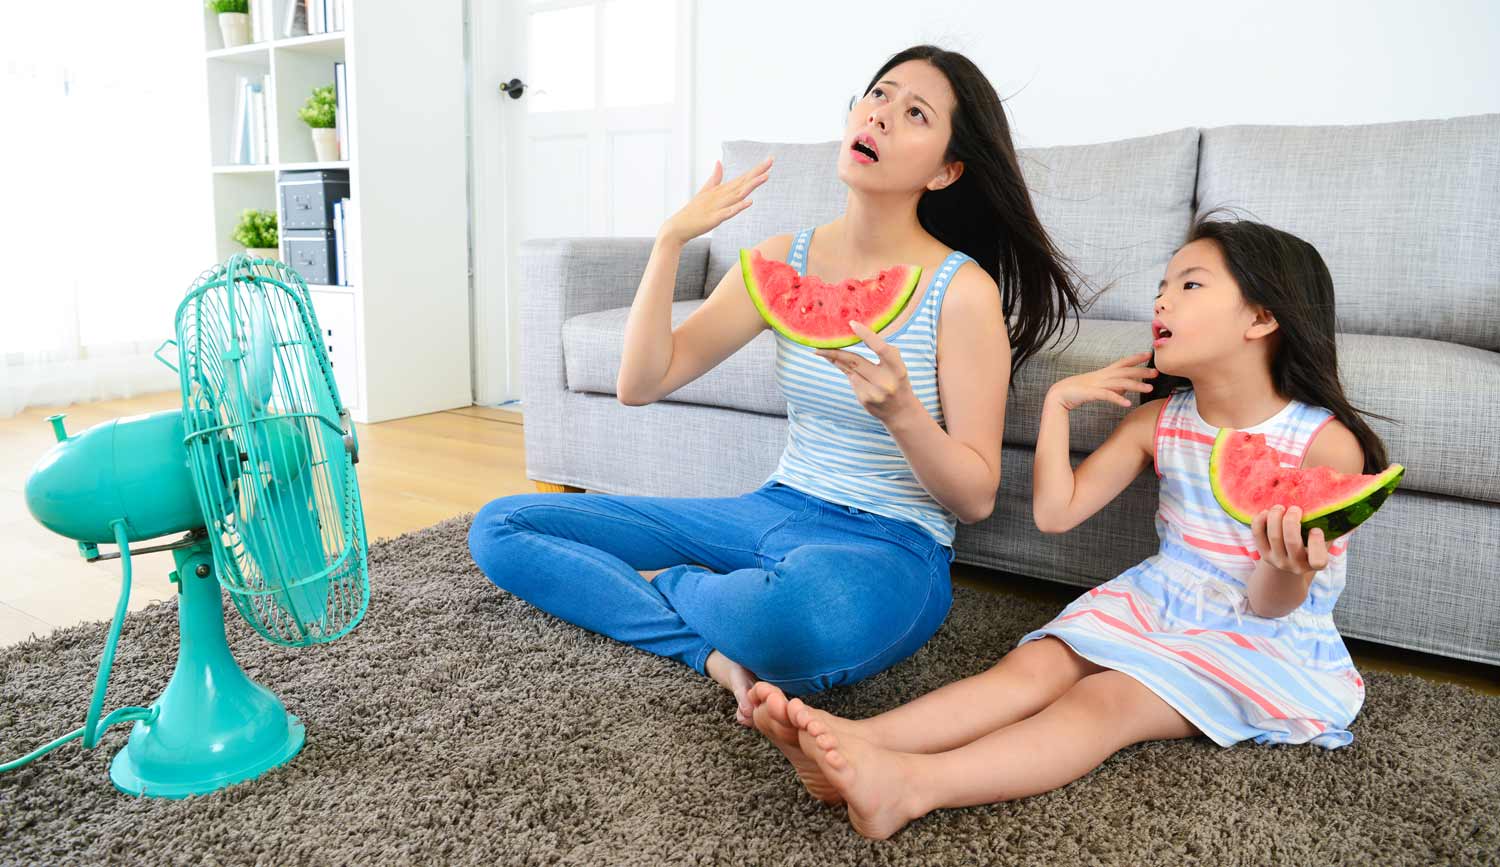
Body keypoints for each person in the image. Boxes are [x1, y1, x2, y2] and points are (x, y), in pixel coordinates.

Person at [468, 45, 1082, 724]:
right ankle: (711, 646)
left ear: (946, 170)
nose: (880, 116)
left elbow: (974, 497)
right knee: (502, 526)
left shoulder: (960, 291)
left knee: (801, 625)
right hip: (770, 510)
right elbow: (641, 382)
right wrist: (670, 240)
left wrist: (904, 414)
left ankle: (670, 589)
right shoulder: (775, 261)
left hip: (890, 545)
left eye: (914, 113)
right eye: (878, 94)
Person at [749, 216, 1389, 839]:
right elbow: (1056, 515)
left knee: (1104, 702)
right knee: (1030, 668)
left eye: (1189, 285)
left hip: (1258, 635)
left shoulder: (1325, 447)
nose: (1163, 299)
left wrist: (1282, 564)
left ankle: (911, 787)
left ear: (1261, 317)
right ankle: (863, 740)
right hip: (1159, 597)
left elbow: (1272, 605)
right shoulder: (1160, 421)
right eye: (1161, 287)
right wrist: (1059, 403)